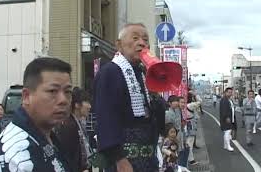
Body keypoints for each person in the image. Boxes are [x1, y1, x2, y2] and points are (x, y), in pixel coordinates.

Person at [94, 23, 160, 172]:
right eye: (135, 38)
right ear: (119, 45)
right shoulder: (110, 72)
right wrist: (119, 159)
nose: (142, 43)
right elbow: (106, 118)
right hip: (125, 160)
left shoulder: (143, 73)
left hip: (147, 158)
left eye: (145, 39)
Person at [0, 57, 73, 171]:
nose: (63, 100)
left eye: (68, 92)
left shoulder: (46, 134)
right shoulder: (18, 159)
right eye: (52, 91)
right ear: (26, 96)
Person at [55, 87, 92, 172]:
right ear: (77, 105)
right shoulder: (69, 126)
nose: (90, 106)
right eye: (87, 102)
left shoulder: (78, 123)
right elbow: (68, 157)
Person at [165, 95, 187, 167]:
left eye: (177, 101)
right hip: (173, 137)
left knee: (179, 153)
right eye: (174, 102)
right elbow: (168, 128)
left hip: (179, 135)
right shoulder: (168, 113)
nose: (176, 103)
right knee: (173, 155)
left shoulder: (177, 110)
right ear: (169, 103)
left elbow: (179, 124)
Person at [219, 87, 236, 152]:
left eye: (231, 92)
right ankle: (228, 146)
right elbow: (224, 110)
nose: (230, 93)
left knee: (227, 131)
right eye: (229, 92)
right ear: (225, 92)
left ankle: (225, 145)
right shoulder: (224, 100)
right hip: (226, 119)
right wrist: (226, 117)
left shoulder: (229, 100)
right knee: (228, 131)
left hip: (230, 118)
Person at [186, 93, 201, 165]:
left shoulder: (184, 105)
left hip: (185, 125)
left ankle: (188, 158)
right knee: (190, 143)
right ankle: (191, 159)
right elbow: (200, 102)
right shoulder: (190, 105)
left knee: (187, 142)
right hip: (191, 125)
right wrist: (196, 95)